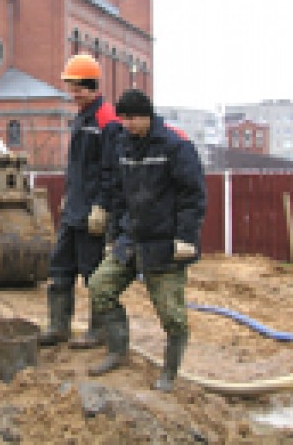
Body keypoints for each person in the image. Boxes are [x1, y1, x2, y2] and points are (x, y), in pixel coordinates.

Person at [87, 89, 206, 392]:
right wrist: (114, 235)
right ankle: (117, 350)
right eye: (122, 119)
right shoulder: (123, 145)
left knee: (172, 315)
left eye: (131, 119)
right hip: (131, 238)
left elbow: (192, 196)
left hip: (165, 244)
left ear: (146, 116)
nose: (126, 125)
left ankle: (169, 372)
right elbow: (118, 193)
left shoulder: (175, 146)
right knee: (100, 286)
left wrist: (186, 237)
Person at [39, 54, 122, 349]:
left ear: (92, 86)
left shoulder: (106, 120)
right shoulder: (81, 117)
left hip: (91, 214)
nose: (73, 94)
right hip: (74, 209)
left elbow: (112, 169)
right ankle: (59, 327)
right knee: (60, 268)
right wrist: (67, 196)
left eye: (77, 88)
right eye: (71, 87)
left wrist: (103, 206)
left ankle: (98, 331)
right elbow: (78, 166)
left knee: (92, 272)